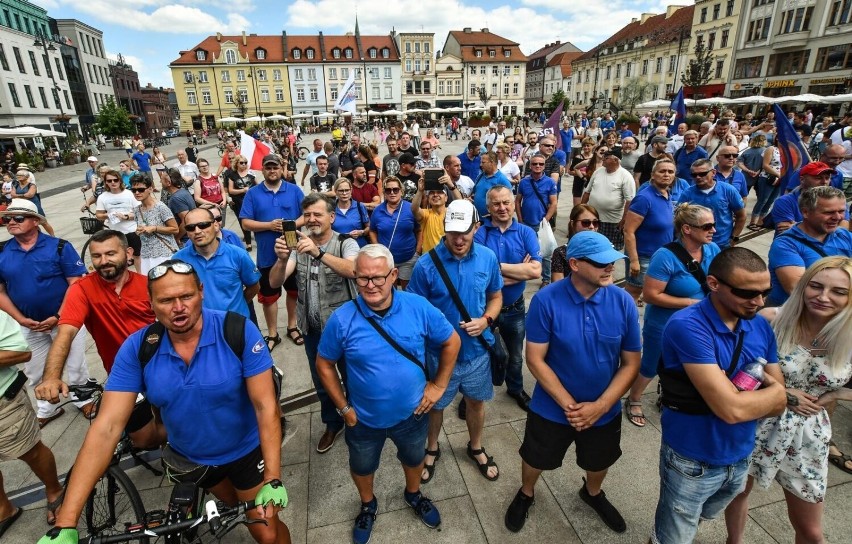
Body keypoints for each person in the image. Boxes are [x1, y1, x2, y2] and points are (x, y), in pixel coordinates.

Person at [37, 261, 291, 544]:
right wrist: (66, 522)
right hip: (193, 458)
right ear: (152, 304)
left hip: (245, 451)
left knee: (266, 531)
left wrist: (273, 477)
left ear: (201, 292)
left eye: (186, 296)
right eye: (166, 300)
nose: (178, 307)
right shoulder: (138, 348)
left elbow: (265, 406)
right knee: (234, 507)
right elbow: (106, 428)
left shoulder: (237, 330)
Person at [315, 244, 460, 544]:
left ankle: (413, 493)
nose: (371, 285)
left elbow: (452, 341)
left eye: (378, 277)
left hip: (413, 414)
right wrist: (343, 408)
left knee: (413, 457)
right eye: (363, 279)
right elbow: (324, 363)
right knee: (362, 466)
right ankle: (368, 504)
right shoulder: (343, 319)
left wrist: (439, 386)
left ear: (394, 275)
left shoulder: (417, 307)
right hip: (363, 420)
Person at [504, 231, 641, 534]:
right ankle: (527, 492)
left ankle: (592, 492)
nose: (610, 267)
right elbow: (535, 359)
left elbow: (631, 363)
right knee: (535, 456)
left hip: (604, 410)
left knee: (599, 459)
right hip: (552, 408)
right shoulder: (545, 300)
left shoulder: (623, 302)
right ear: (575, 264)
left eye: (613, 261)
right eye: (601, 262)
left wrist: (601, 406)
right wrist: (571, 406)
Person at [651, 247, 787, 543]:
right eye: (746, 292)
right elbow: (732, 410)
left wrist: (769, 395)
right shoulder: (688, 325)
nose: (759, 302)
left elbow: (780, 401)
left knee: (693, 520)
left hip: (739, 455)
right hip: (692, 459)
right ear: (713, 284)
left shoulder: (760, 325)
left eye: (765, 292)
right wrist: (770, 394)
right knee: (674, 535)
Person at [724, 256, 852, 544]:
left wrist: (836, 394)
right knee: (738, 491)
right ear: (803, 286)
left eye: (838, 292)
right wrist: (782, 391)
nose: (823, 297)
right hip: (758, 417)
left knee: (811, 531)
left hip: (808, 432)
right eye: (815, 286)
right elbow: (737, 366)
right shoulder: (772, 319)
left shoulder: (849, 335)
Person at [36, 230, 161, 447]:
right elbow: (65, 333)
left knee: (175, 418)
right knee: (142, 439)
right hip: (124, 375)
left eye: (110, 253)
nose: (103, 261)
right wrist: (51, 377)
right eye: (97, 256)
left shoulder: (148, 285)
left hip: (162, 367)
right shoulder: (82, 289)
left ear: (128, 252)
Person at [407, 200, 503, 484]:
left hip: (477, 353)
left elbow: (496, 297)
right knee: (435, 405)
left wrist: (486, 320)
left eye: (464, 231)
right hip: (439, 356)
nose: (458, 239)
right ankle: (432, 448)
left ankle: (475, 447)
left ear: (476, 227)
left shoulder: (487, 257)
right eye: (452, 232)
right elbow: (415, 311)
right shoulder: (426, 265)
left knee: (475, 403)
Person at [269, 193, 358, 453]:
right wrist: (283, 258)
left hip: (344, 331)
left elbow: (353, 270)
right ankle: (332, 423)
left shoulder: (345, 243)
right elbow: (275, 283)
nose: (311, 219)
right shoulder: (298, 248)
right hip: (312, 330)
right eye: (307, 215)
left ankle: (359, 421)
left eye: (317, 214)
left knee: (353, 378)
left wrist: (318, 253)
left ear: (332, 217)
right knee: (322, 381)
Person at [624, 204, 721, 427]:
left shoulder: (713, 249)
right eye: (707, 226)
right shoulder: (665, 256)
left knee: (686, 363)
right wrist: (691, 303)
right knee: (650, 364)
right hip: (664, 323)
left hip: (699, 324)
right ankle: (634, 398)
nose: (713, 230)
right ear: (687, 229)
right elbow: (650, 295)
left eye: (713, 225)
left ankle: (669, 394)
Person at [0, 199, 93, 428]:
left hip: (66, 320)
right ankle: (47, 407)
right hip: (27, 323)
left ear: (35, 221)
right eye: (7, 219)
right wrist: (21, 319)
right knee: (34, 367)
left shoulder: (59, 246)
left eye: (18, 218)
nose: (11, 222)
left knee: (75, 364)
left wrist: (59, 315)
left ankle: (83, 399)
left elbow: (75, 283)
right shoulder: (2, 251)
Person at [474, 185, 540, 410]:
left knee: (515, 355)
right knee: (479, 353)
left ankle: (515, 388)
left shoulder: (526, 233)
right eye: (496, 204)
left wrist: (496, 268)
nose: (502, 208)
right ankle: (472, 394)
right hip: (485, 308)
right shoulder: (481, 233)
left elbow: (535, 271)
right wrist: (519, 268)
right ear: (488, 207)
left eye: (506, 203)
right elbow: (479, 275)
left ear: (514, 204)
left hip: (514, 308)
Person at [0, 308, 65, 533]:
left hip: (3, 402)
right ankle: (3, 508)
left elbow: (20, 353)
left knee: (30, 451)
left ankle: (55, 490)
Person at [240, 154, 305, 350]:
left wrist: (290, 225)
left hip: (294, 252)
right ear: (262, 170)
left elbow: (306, 215)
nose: (272, 171)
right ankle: (273, 333)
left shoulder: (293, 190)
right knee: (268, 297)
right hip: (267, 255)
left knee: (294, 291)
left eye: (275, 167)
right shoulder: (253, 193)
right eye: (268, 167)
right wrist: (268, 225)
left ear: (280, 168)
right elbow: (245, 222)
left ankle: (292, 326)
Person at [768, 186, 852, 306]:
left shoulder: (843, 235)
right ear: (805, 212)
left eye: (841, 211)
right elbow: (799, 291)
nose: (837, 217)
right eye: (829, 212)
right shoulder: (786, 244)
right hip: (796, 318)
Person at [174, 208, 260, 318]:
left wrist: (237, 306)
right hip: (199, 326)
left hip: (234, 324)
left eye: (203, 225)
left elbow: (254, 286)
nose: (197, 231)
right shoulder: (178, 260)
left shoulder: (238, 255)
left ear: (215, 225)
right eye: (190, 228)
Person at [622, 159, 676, 305]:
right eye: (662, 171)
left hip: (661, 255)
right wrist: (634, 260)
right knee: (633, 293)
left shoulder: (667, 195)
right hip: (643, 257)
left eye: (670, 171)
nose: (666, 174)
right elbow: (628, 231)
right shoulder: (644, 198)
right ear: (653, 175)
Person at [677, 159, 746, 249]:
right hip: (697, 245)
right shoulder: (687, 193)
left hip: (722, 244)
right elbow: (678, 218)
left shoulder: (728, 190)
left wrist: (734, 238)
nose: (698, 177)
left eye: (702, 174)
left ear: (713, 173)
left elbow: (741, 216)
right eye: (694, 175)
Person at [368, 177, 419, 289]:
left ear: (401, 191)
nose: (392, 193)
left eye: (395, 189)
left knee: (409, 290)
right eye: (388, 190)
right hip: (387, 260)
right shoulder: (377, 210)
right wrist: (377, 247)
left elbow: (419, 230)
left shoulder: (411, 208)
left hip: (409, 258)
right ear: (384, 193)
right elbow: (372, 230)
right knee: (389, 290)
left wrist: (418, 250)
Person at [516, 154, 557, 286]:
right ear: (530, 165)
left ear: (544, 166)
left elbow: (554, 203)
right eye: (535, 164)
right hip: (526, 222)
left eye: (541, 164)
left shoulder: (550, 182)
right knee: (524, 249)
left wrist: (545, 220)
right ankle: (524, 273)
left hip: (541, 223)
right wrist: (520, 220)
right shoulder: (524, 182)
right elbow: (517, 201)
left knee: (545, 252)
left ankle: (546, 278)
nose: (538, 166)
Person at [582, 149, 635, 251]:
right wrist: (580, 209)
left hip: (612, 221)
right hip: (593, 217)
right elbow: (587, 192)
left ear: (615, 160)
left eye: (606, 158)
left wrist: (624, 220)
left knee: (609, 248)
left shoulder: (626, 176)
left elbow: (630, 201)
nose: (603, 159)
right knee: (591, 245)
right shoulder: (598, 172)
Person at [95, 170, 142, 272]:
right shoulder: (103, 197)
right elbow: (98, 215)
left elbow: (140, 213)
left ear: (120, 181)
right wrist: (107, 215)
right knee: (120, 258)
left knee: (137, 256)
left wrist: (125, 216)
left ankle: (141, 277)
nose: (113, 182)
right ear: (106, 182)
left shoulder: (129, 194)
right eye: (109, 181)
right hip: (115, 233)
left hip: (132, 230)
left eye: (115, 180)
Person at [131, 175, 179, 274]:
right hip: (146, 255)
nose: (137, 193)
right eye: (134, 190)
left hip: (163, 254)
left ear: (150, 189)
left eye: (140, 189)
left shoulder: (160, 207)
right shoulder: (136, 210)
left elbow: (175, 229)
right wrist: (139, 231)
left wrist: (154, 228)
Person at [411, 172, 462, 254]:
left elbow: (461, 204)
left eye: (440, 192)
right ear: (428, 198)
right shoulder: (426, 214)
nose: (435, 195)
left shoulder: (451, 213)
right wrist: (420, 191)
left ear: (446, 198)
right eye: (432, 193)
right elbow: (414, 209)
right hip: (430, 259)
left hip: (448, 258)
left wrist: (451, 185)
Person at [551, 204, 601, 283]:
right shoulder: (561, 253)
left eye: (595, 222)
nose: (592, 226)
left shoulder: (603, 249)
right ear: (572, 223)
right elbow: (557, 286)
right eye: (586, 222)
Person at [225, 153, 256, 250]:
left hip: (252, 201)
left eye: (245, 162)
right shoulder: (231, 175)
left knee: (255, 220)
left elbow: (258, 185)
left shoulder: (250, 173)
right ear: (236, 163)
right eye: (241, 162)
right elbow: (230, 190)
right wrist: (243, 190)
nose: (244, 164)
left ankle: (257, 237)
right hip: (239, 201)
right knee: (243, 220)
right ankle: (248, 243)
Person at [472, 151, 513, 218]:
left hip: (492, 220)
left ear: (492, 163)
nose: (481, 165)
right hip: (478, 219)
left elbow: (510, 201)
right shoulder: (480, 176)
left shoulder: (501, 180)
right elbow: (475, 192)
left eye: (483, 162)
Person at [332, 178, 370, 248]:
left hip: (358, 247)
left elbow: (369, 228)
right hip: (338, 248)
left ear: (351, 190)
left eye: (347, 190)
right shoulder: (331, 208)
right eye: (341, 191)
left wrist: (361, 232)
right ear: (335, 191)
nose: (344, 193)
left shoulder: (359, 206)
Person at [162, 169, 196, 244]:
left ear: (168, 183)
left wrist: (177, 237)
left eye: (162, 180)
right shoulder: (183, 191)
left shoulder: (175, 198)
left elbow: (185, 220)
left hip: (185, 239)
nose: (160, 182)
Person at [569, 138, 596, 206]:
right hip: (578, 184)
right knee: (577, 207)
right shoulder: (577, 157)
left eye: (588, 145)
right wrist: (580, 174)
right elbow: (570, 171)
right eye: (584, 146)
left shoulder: (595, 158)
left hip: (591, 184)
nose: (586, 147)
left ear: (592, 146)